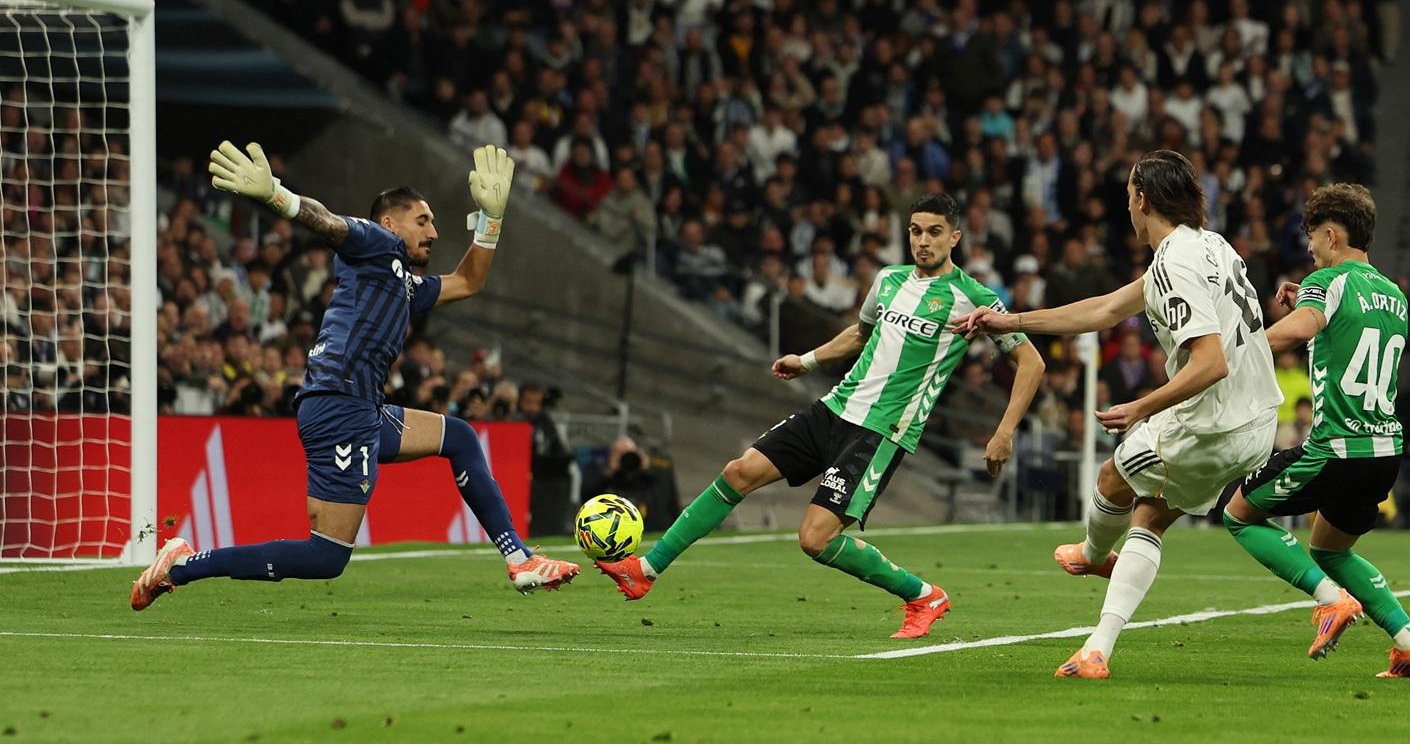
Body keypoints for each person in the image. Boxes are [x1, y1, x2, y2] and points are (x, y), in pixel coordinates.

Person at [130, 142, 578, 610]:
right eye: (422, 220)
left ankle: (519, 559)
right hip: (339, 406)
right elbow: (328, 222)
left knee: (460, 437)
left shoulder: (401, 281)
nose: (434, 231)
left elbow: (468, 281)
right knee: (325, 556)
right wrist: (277, 196)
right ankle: (182, 565)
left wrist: (491, 219)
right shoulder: (376, 242)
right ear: (390, 223)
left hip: (362, 407)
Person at [595, 194, 1045, 638]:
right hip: (833, 409)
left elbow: (1031, 362)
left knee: (815, 538)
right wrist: (807, 360)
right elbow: (861, 333)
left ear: (955, 237)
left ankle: (923, 596)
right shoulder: (888, 279)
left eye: (934, 232)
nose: (923, 241)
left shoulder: (973, 298)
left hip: (881, 431)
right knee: (739, 472)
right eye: (915, 231)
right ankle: (645, 570)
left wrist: (1004, 432)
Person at [956, 149, 1281, 679]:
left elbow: (1210, 362)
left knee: (1112, 475)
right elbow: (1105, 309)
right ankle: (1096, 648)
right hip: (1259, 421)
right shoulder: (1213, 246)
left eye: (1129, 195)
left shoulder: (1174, 263)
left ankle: (1091, 554)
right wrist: (1010, 320)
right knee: (1148, 516)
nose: (1127, 206)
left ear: (1143, 200)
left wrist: (1140, 407)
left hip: (1212, 423)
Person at [1219, 183, 1410, 678]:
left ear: (1332, 235)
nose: (1310, 247)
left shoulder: (1328, 280)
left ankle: (1329, 600)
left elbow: (1304, 327)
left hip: (1336, 447)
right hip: (1384, 451)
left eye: (1313, 236)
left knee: (1239, 514)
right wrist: (1307, 299)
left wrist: (1238, 355)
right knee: (1329, 549)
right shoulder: (1395, 295)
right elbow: (1346, 324)